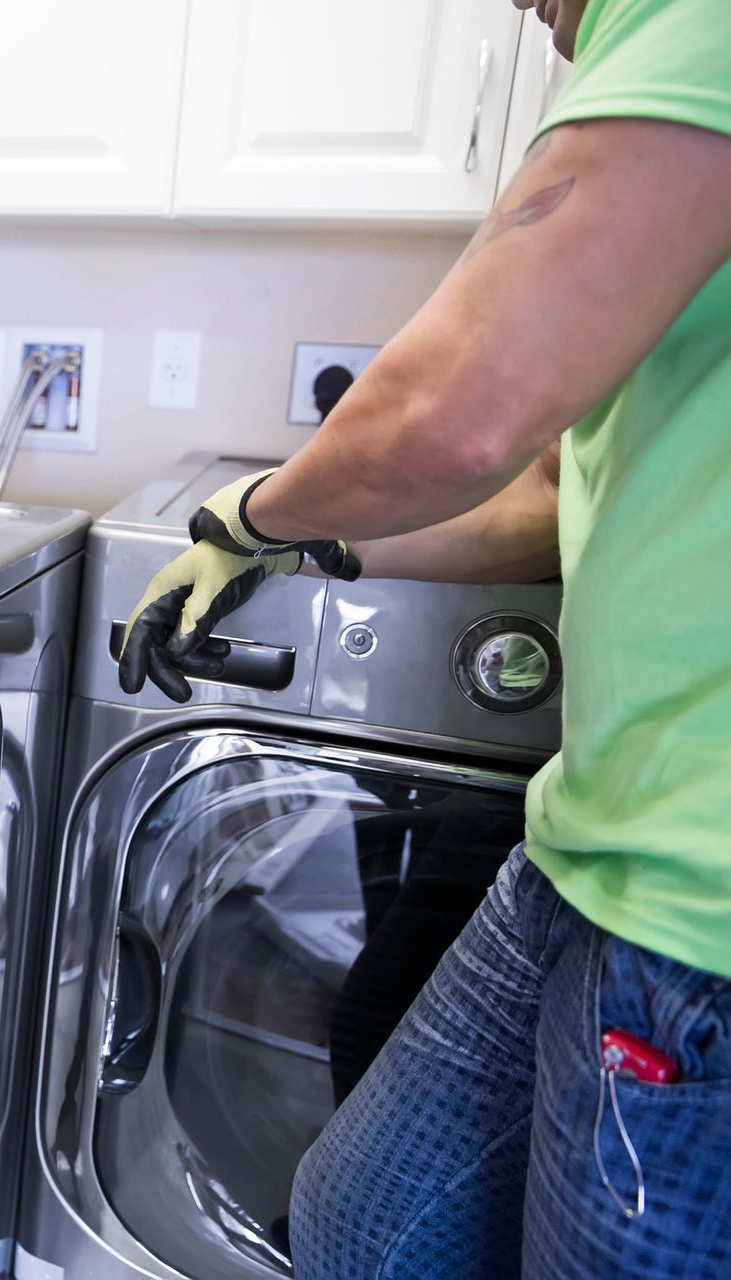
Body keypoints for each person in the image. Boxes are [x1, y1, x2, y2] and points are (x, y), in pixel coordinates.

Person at [116, 0, 731, 1273]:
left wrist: (252, 505)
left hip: (702, 910)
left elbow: (458, 413)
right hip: (597, 836)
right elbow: (548, 494)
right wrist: (284, 546)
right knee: (362, 1219)